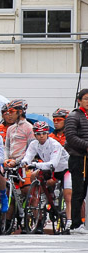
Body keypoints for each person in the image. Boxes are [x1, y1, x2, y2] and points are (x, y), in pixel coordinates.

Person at [20, 120, 71, 232]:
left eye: (44, 133)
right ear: (35, 135)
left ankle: (69, 220)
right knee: (33, 175)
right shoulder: (34, 144)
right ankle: (41, 196)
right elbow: (28, 157)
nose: (41, 136)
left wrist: (35, 164)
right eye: (38, 134)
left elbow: (53, 163)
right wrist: (24, 162)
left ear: (47, 133)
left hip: (64, 169)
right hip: (49, 168)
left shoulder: (55, 144)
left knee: (68, 196)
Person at [64, 89, 88, 233]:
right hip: (79, 158)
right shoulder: (73, 116)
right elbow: (71, 137)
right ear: (79, 100)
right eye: (85, 99)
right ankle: (76, 224)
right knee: (79, 191)